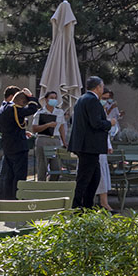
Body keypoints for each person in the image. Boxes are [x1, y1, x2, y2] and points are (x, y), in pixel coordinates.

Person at [69, 76, 111, 209]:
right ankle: (77, 207)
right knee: (84, 179)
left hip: (86, 146)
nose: (102, 89)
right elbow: (96, 123)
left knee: (94, 178)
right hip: (89, 146)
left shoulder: (81, 100)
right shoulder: (92, 100)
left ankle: (87, 206)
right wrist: (110, 123)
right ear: (98, 87)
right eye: (102, 86)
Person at [0, 85, 39, 200]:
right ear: (12, 97)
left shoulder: (2, 108)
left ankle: (7, 198)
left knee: (8, 175)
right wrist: (31, 97)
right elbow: (33, 108)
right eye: (22, 101)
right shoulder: (12, 108)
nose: (22, 105)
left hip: (8, 145)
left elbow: (8, 127)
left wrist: (21, 132)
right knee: (19, 176)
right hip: (18, 147)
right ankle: (18, 198)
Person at [31, 90, 67, 181]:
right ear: (46, 100)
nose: (54, 100)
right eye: (51, 98)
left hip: (55, 140)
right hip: (43, 139)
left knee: (56, 167)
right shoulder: (40, 112)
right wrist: (47, 125)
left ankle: (52, 185)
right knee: (42, 166)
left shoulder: (59, 112)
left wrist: (64, 141)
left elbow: (61, 127)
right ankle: (41, 186)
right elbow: (34, 129)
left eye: (55, 98)